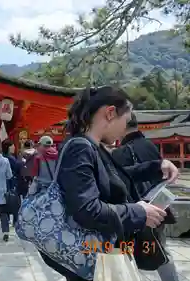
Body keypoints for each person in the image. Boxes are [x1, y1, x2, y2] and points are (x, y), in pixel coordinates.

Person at [41, 86, 178, 281]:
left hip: (104, 253)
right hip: (94, 256)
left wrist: (156, 166)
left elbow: (112, 179)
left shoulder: (93, 147)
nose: (125, 128)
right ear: (110, 113)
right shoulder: (80, 148)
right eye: (126, 120)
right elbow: (87, 209)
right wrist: (139, 212)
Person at [112, 113, 179, 281]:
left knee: (129, 252)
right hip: (159, 204)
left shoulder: (121, 152)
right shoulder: (150, 145)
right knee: (160, 247)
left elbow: (120, 182)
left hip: (138, 210)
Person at [2, 139, 21, 226]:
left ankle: (7, 219)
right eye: (12, 145)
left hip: (3, 182)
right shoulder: (11, 158)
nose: (14, 147)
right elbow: (18, 168)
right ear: (9, 147)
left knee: (5, 201)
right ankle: (15, 220)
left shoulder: (2, 157)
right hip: (12, 182)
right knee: (14, 202)